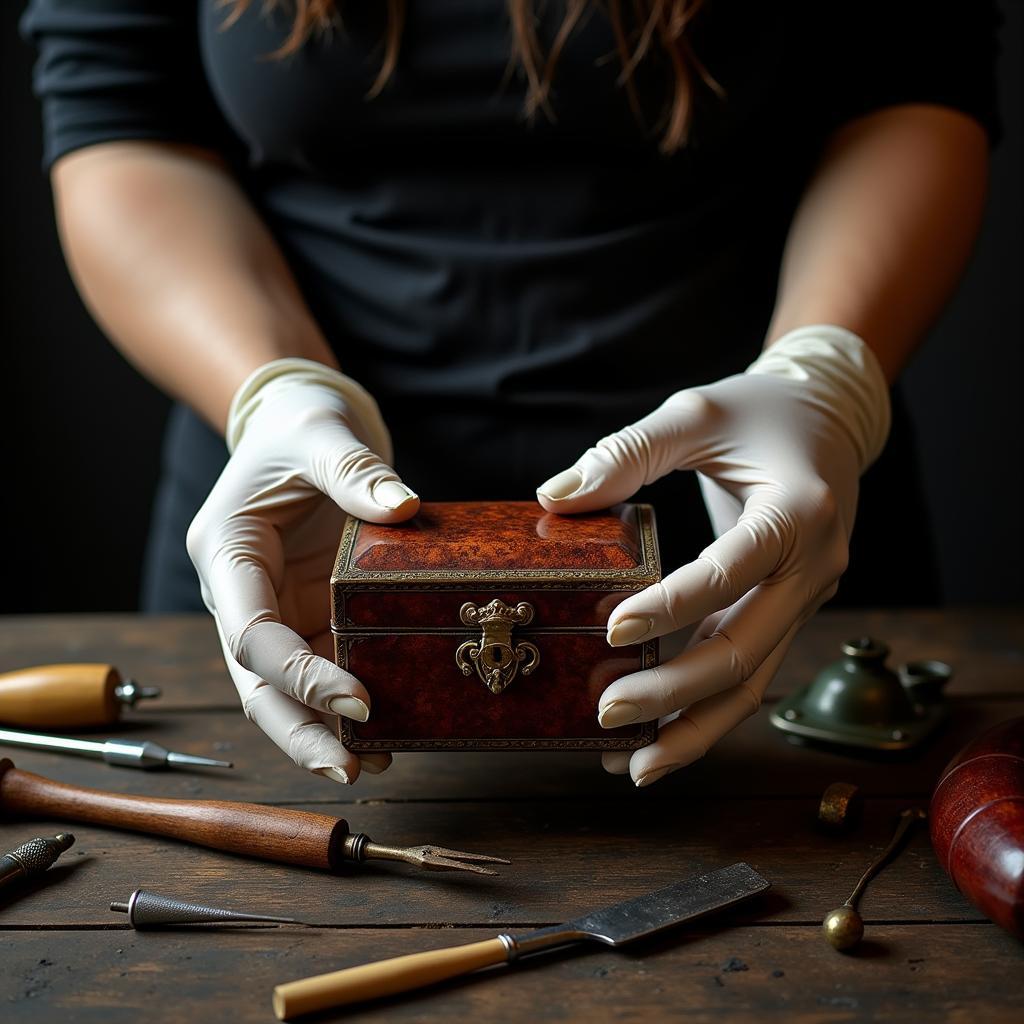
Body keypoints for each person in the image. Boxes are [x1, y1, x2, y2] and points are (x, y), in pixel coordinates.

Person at [22, 1, 998, 787]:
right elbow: (121, 116)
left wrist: (821, 375)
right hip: (297, 548)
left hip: (761, 526)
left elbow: (915, 78)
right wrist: (271, 387)